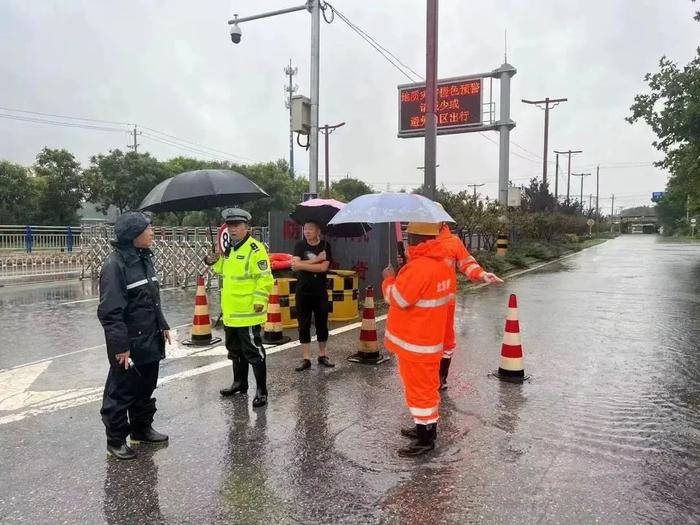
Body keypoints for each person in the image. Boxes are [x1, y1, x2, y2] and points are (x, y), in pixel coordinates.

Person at [98, 211, 171, 461]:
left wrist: (163, 325)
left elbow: (152, 298)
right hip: (128, 343)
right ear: (133, 234)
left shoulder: (145, 259)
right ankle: (115, 440)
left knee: (145, 385)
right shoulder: (115, 265)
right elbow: (110, 312)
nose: (152, 232)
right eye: (148, 228)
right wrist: (121, 347)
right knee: (121, 391)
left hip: (150, 337)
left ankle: (141, 430)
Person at [381, 221, 453, 457]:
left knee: (419, 391)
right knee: (426, 389)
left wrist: (389, 279)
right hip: (429, 341)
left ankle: (426, 438)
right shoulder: (441, 266)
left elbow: (398, 299)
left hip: (415, 343)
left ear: (414, 239)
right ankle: (423, 427)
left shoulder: (419, 268)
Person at [205, 208, 273, 408]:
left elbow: (265, 278)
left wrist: (260, 299)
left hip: (248, 312)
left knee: (254, 352)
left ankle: (261, 390)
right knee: (234, 351)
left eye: (237, 226)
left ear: (247, 227)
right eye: (230, 226)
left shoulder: (255, 249)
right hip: (231, 312)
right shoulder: (231, 249)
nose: (233, 230)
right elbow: (225, 271)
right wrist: (213, 262)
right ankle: (240, 383)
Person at [434, 222, 503, 389]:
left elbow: (466, 264)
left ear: (442, 222)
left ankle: (440, 379)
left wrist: (482, 274)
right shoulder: (420, 240)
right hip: (421, 304)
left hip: (444, 303)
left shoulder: (453, 242)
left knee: (446, 342)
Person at [291, 221, 334, 371]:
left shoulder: (325, 246)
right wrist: (316, 259)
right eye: (305, 229)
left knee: (322, 323)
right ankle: (306, 358)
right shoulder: (300, 245)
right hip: (303, 290)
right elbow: (294, 265)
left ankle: (322, 355)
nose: (307, 232)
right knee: (303, 324)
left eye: (310, 229)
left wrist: (303, 264)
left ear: (318, 231)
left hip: (320, 291)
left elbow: (323, 268)